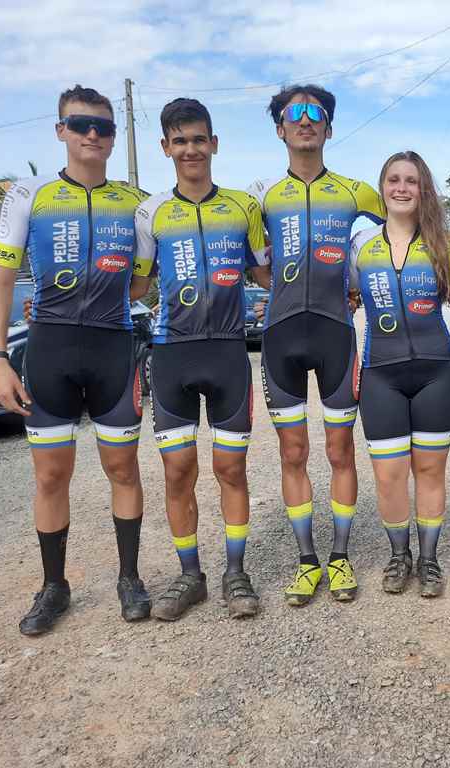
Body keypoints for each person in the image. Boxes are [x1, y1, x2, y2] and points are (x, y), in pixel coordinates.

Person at [0, 85, 151, 635]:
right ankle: (54, 585)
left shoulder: (136, 203)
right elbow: (2, 280)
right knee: (51, 474)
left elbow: (146, 281)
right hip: (50, 350)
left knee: (122, 468)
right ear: (60, 130)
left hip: (113, 348)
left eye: (102, 126)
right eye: (80, 124)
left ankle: (129, 576)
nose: (92, 135)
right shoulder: (28, 194)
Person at [248, 85, 384, 606]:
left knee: (339, 449)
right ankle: (307, 561)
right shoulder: (260, 196)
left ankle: (341, 556)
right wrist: (283, 291)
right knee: (293, 451)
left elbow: (385, 244)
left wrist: (354, 286)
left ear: (329, 128)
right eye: (294, 114)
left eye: (316, 114)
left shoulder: (357, 193)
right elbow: (257, 265)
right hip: (282, 333)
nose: (305, 121)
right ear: (280, 128)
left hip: (335, 334)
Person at [133, 99, 266, 620]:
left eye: (199, 138)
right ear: (166, 147)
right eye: (179, 140)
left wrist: (332, 290)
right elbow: (139, 283)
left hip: (230, 352)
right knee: (178, 471)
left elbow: (264, 273)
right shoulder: (152, 212)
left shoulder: (242, 207)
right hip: (172, 355)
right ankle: (191, 575)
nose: (190, 148)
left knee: (231, 469)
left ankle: (236, 572)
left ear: (214, 143)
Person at [349, 151, 450, 597]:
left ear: (423, 189)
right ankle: (398, 555)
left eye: (412, 180)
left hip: (435, 373)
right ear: (383, 187)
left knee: (429, 471)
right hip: (381, 375)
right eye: (394, 179)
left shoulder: (440, 246)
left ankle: (428, 559)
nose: (402, 188)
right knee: (389, 475)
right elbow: (346, 298)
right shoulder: (361, 246)